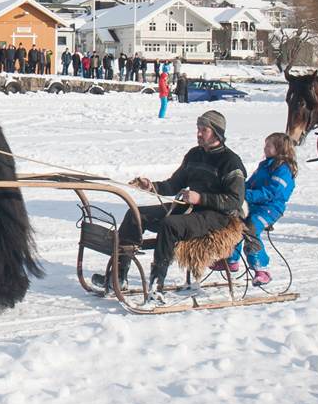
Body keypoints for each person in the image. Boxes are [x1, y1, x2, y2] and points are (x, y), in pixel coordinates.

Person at [92, 111, 246, 294]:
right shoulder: (194, 154)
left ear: (217, 133)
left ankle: (157, 285)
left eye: (203, 130)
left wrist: (200, 198)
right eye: (198, 129)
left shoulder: (230, 161)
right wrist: (151, 186)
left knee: (169, 225)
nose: (198, 133)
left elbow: (235, 200)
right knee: (135, 214)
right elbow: (175, 184)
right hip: (191, 209)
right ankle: (119, 276)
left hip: (218, 217)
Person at [223, 133, 297, 286]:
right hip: (255, 204)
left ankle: (261, 270)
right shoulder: (265, 165)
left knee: (250, 227)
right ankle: (231, 259)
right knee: (234, 222)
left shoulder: (283, 169)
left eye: (269, 145)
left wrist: (246, 195)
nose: (265, 148)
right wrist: (238, 190)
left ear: (280, 149)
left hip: (271, 208)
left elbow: (271, 193)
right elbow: (250, 183)